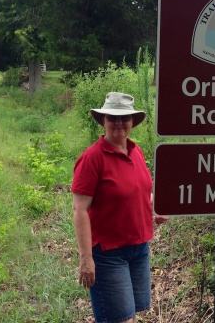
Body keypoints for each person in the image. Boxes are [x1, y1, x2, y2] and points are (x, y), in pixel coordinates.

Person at [71, 92, 167, 323]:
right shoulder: (92, 158)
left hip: (139, 247)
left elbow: (141, 191)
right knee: (120, 318)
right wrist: (86, 258)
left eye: (124, 118)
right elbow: (80, 210)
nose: (119, 123)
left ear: (132, 121)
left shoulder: (136, 151)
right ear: (103, 120)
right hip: (108, 253)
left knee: (132, 313)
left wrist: (155, 206)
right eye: (112, 117)